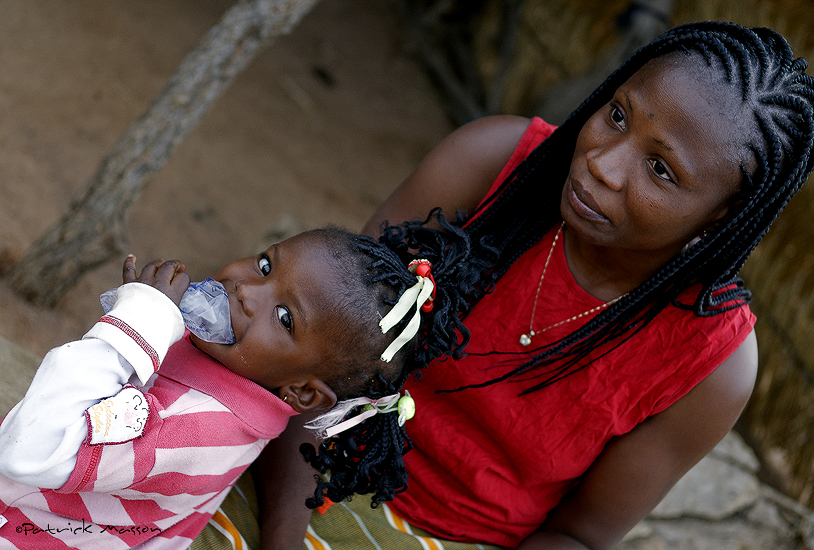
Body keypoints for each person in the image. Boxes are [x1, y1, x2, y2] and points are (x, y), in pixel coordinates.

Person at [193, 20, 814, 550]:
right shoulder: (492, 164)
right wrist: (281, 539)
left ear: (724, 217)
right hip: (303, 458)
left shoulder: (709, 363)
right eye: (616, 115)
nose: (602, 164)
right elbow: (320, 354)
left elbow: (579, 537)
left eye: (660, 169)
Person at [0, 222, 479, 550]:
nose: (247, 291)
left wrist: (130, 330)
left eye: (286, 317)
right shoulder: (245, 388)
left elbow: (30, 448)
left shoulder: (199, 429)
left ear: (304, 394)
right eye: (267, 266)